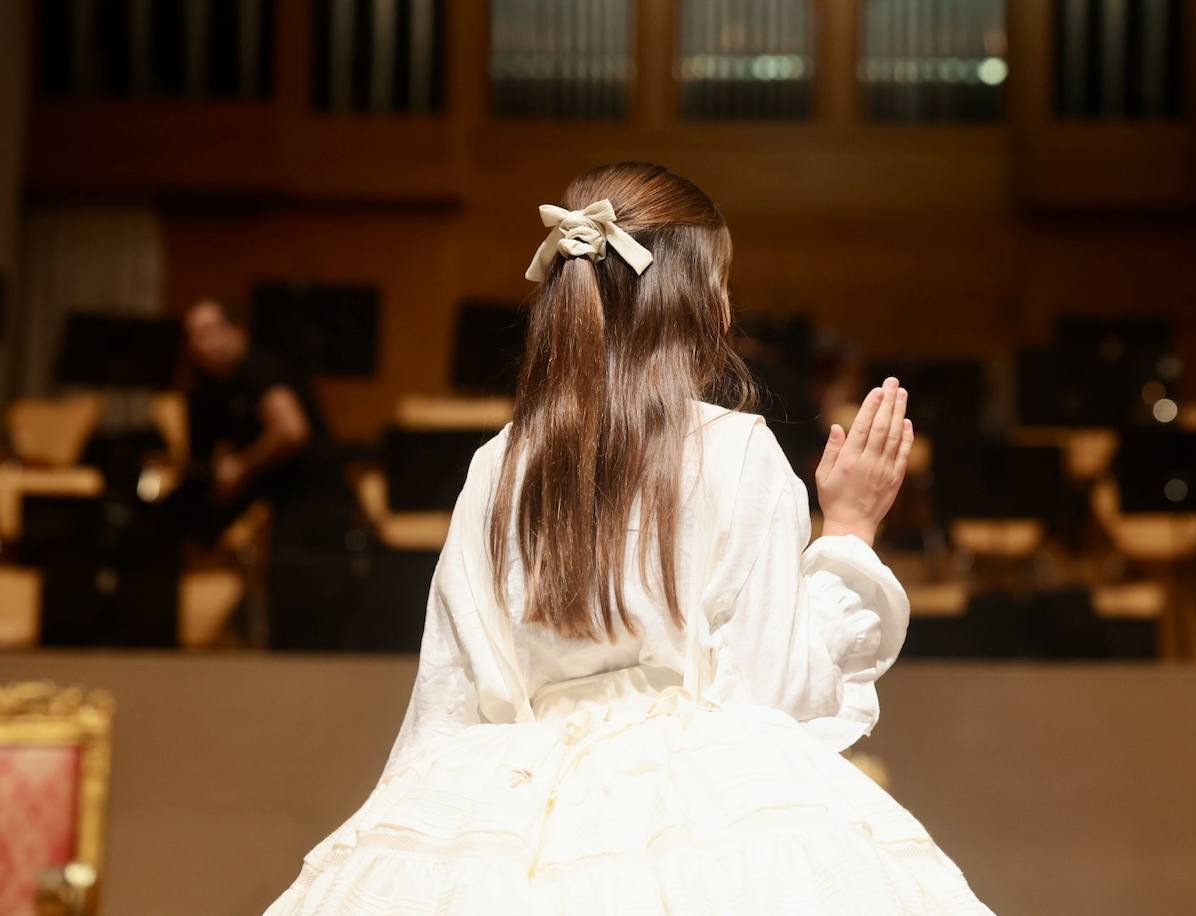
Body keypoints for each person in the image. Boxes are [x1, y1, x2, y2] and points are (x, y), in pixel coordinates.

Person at [264, 163, 993, 914]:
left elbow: (450, 688)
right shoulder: (737, 450)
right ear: (700, 299)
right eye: (724, 281)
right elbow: (773, 691)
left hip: (514, 810)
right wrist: (849, 529)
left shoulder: (496, 465)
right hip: (700, 802)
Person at [175, 298, 356, 647]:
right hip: (280, 501)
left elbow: (291, 430)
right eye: (194, 335)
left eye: (210, 331)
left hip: (316, 498)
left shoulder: (260, 369)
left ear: (236, 331)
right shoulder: (210, 386)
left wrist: (241, 468)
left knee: (300, 599)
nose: (202, 343)